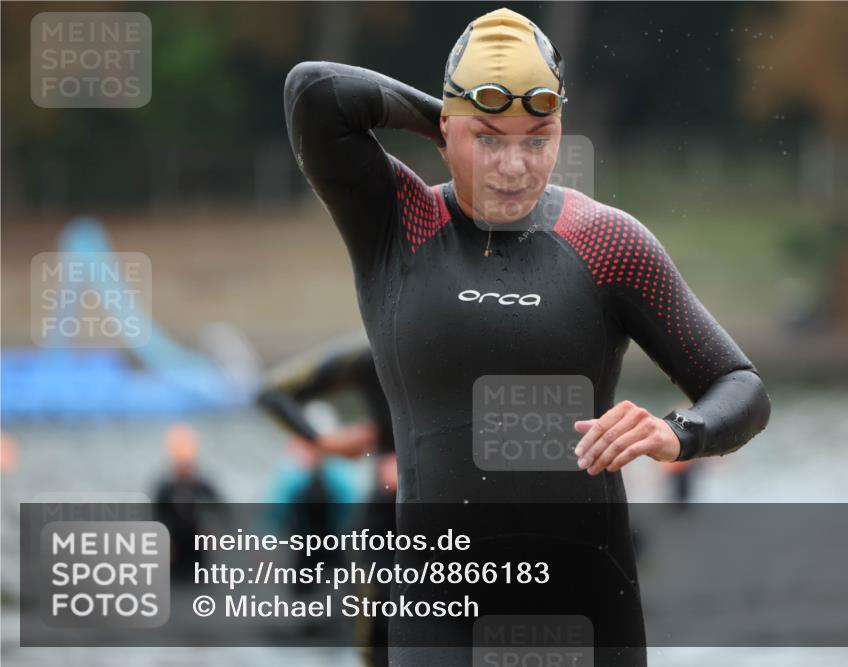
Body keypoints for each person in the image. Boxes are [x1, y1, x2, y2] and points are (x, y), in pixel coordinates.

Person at [283, 7, 770, 665]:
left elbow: (740, 387)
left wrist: (677, 430)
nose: (514, 165)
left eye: (538, 138)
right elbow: (314, 93)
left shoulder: (608, 243)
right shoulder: (398, 225)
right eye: (489, 139)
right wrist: (452, 118)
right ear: (445, 131)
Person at [257, 333, 396, 666]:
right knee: (378, 629)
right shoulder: (369, 354)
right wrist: (325, 443)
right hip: (385, 523)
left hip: (455, 519)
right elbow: (270, 393)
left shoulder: (473, 339)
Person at [152, 423, 222, 582]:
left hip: (197, 548)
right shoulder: (166, 489)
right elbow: (157, 517)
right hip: (175, 549)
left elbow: (221, 511)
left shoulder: (202, 486)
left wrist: (215, 534)